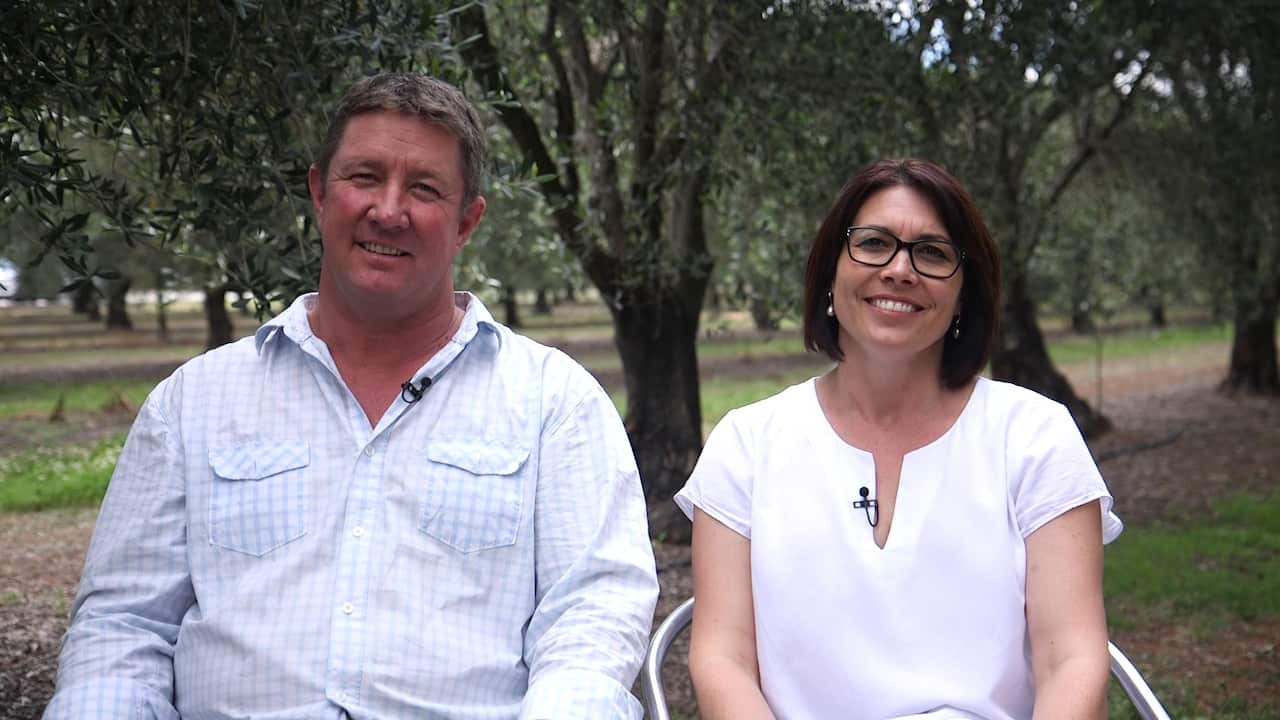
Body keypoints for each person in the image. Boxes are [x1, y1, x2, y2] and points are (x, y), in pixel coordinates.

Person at [45, 73, 659, 720]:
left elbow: (591, 624)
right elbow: (122, 630)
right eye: (364, 177)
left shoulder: (554, 404)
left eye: (423, 188)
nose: (388, 210)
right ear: (318, 191)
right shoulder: (192, 404)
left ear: (466, 222)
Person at [675, 159, 1123, 720]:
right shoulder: (745, 446)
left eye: (932, 253)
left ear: (964, 294)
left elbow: (1073, 662)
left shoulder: (1035, 437)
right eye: (873, 243)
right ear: (830, 272)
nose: (899, 269)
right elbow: (722, 660)